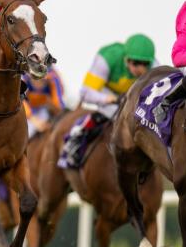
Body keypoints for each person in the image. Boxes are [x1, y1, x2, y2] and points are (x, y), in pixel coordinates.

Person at [62, 34, 156, 167]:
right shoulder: (107, 59)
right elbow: (85, 93)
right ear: (126, 59)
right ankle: (76, 139)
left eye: (145, 64)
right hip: (105, 91)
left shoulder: (155, 65)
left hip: (130, 94)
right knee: (114, 111)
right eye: (135, 63)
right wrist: (108, 99)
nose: (140, 68)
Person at [22, 66, 66, 137]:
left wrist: (49, 103)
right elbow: (19, 100)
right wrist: (33, 119)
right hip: (24, 111)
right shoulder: (23, 76)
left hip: (43, 110)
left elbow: (59, 107)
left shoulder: (53, 78)